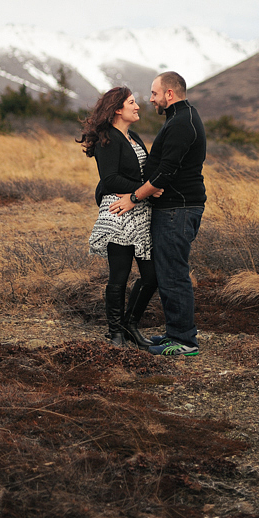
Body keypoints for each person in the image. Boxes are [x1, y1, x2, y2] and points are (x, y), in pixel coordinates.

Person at [108, 71, 206, 357]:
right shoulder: (180, 118)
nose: (150, 99)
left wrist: (135, 197)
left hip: (179, 209)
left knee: (173, 274)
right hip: (176, 207)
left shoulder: (181, 123)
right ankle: (177, 330)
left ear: (170, 94)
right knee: (168, 272)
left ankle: (185, 341)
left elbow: (166, 171)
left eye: (154, 94)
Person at [77, 86, 158, 348]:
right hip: (118, 213)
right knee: (119, 277)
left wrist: (147, 191)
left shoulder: (132, 136)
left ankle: (129, 325)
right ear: (118, 109)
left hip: (140, 211)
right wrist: (142, 191)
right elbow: (110, 179)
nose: (137, 107)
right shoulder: (108, 139)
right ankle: (115, 334)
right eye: (132, 102)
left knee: (151, 276)